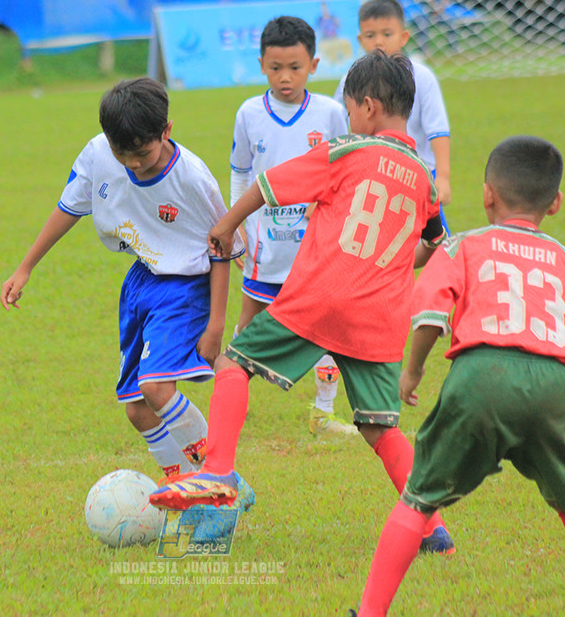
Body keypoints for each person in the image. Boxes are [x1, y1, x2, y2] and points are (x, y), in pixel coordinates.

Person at [150, 51, 456, 556]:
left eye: (351, 108)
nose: (349, 117)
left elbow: (270, 187)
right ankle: (433, 530)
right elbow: (432, 243)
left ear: (369, 108)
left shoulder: (347, 150)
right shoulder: (424, 179)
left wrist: (225, 225)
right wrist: (393, 259)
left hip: (321, 296)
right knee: (379, 428)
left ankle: (218, 472)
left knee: (233, 364)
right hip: (380, 319)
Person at [354, 136, 565, 617]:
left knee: (419, 497)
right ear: (555, 204)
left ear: (487, 194)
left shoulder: (464, 245)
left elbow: (428, 315)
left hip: (481, 377)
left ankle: (369, 613)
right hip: (558, 388)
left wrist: (413, 371)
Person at [0, 78, 253, 511]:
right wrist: (25, 267)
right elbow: (68, 208)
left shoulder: (192, 179)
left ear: (166, 130)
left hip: (188, 282)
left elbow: (223, 247)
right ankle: (176, 486)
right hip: (143, 279)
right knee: (137, 408)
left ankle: (218, 482)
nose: (134, 164)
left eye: (143, 153)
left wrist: (215, 325)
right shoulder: (99, 154)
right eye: (124, 154)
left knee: (155, 386)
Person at [230, 15, 355, 437]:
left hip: (317, 244)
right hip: (266, 246)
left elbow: (344, 174)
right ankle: (229, 397)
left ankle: (322, 412)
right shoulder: (249, 113)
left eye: (295, 68)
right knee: (250, 321)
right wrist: (237, 226)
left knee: (330, 324)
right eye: (276, 68)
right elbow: (241, 173)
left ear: (314, 65)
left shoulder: (331, 113)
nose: (285, 78)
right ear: (261, 64)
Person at [334, 0, 453, 234]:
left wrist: (444, 177)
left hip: (420, 174)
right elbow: (339, 127)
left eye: (387, 34)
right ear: (360, 40)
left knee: (437, 245)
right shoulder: (351, 79)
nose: (378, 41)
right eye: (370, 35)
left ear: (403, 37)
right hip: (371, 177)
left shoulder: (422, 77)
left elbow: (437, 130)